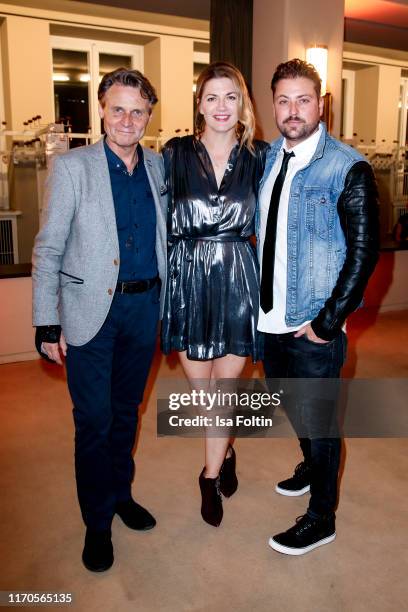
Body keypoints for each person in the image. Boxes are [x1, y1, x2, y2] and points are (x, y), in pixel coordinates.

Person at [32, 68, 167, 572]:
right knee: (93, 421)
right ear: (101, 111)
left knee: (127, 413)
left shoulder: (158, 169)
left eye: (138, 110)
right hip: (90, 313)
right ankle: (97, 523)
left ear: (149, 116)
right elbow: (47, 247)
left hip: (143, 309)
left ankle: (121, 495)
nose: (127, 119)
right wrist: (47, 320)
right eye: (118, 108)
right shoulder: (72, 168)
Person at [257, 59, 379, 555]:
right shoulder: (266, 157)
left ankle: (321, 517)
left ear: (321, 102)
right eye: (283, 100)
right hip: (268, 316)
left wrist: (329, 322)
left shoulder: (347, 166)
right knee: (290, 403)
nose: (293, 110)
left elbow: (364, 250)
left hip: (312, 322)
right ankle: (309, 463)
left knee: (321, 421)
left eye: (303, 99)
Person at [161, 61, 268, 527]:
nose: (221, 107)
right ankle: (226, 450)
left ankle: (208, 476)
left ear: (242, 104)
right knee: (203, 395)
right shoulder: (173, 153)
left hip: (238, 280)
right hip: (187, 279)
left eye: (231, 97)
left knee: (221, 396)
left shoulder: (262, 156)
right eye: (212, 97)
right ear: (198, 104)